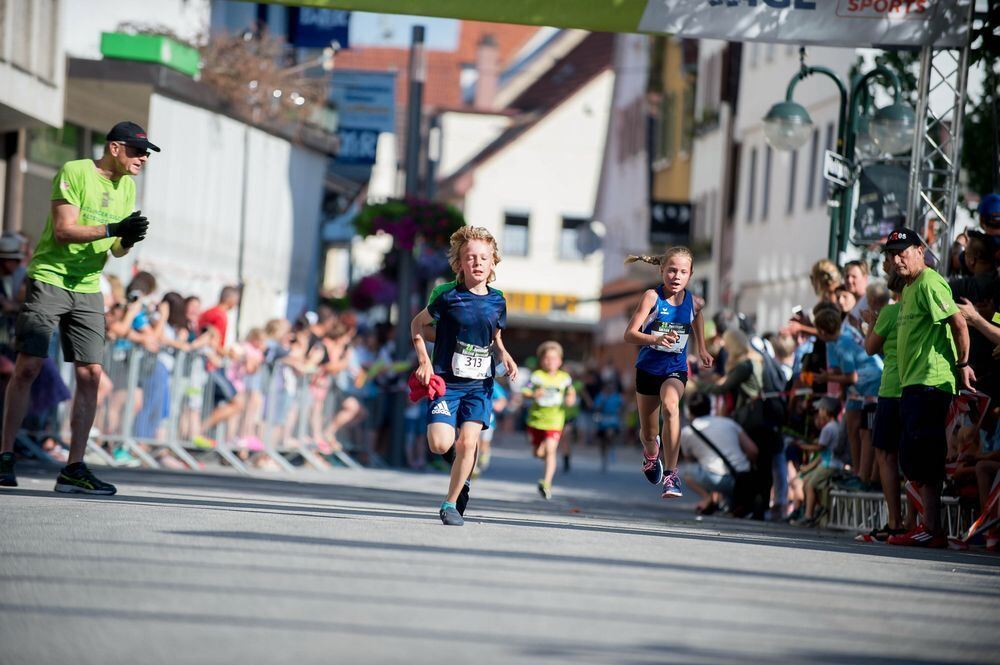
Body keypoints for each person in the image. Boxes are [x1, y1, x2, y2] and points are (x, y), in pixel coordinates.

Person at [0, 121, 156, 492]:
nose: (143, 157)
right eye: (136, 150)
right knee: (29, 367)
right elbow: (63, 230)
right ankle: (5, 455)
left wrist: (127, 239)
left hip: (88, 286)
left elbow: (116, 248)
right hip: (51, 277)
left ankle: (74, 468)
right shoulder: (76, 171)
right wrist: (113, 229)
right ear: (115, 148)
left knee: (91, 376)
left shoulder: (127, 187)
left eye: (146, 153)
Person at [410, 226, 517, 526]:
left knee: (469, 443)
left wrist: (504, 354)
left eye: (484, 258)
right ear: (459, 263)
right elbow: (417, 325)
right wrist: (424, 362)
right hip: (446, 382)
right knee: (440, 444)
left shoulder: (498, 301)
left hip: (479, 384)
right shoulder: (447, 297)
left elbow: (493, 335)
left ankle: (451, 503)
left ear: (494, 262)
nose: (478, 263)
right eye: (470, 257)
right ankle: (460, 467)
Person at [882, 228, 974, 548]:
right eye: (892, 254)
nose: (897, 259)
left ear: (921, 250)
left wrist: (963, 365)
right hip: (913, 384)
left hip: (932, 382)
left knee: (926, 456)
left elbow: (959, 322)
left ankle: (933, 530)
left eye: (903, 251)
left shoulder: (930, 282)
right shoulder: (909, 288)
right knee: (912, 457)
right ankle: (924, 526)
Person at [624, 247, 713, 499]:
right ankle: (652, 455)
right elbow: (629, 334)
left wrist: (702, 348)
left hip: (675, 368)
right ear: (662, 270)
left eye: (683, 272)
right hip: (648, 369)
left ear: (690, 274)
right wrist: (656, 338)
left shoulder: (693, 301)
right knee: (649, 433)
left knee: (672, 407)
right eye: (672, 270)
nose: (676, 276)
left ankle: (672, 475)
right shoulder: (652, 297)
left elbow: (697, 317)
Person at [860, 259, 908, 541]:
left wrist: (871, 324)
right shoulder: (916, 308)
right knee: (911, 457)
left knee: (886, 455)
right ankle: (916, 521)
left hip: (892, 388)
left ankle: (895, 519)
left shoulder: (891, 312)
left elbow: (869, 348)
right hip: (918, 385)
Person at [679, 391, 758, 515]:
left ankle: (708, 498)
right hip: (743, 477)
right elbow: (753, 451)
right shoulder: (729, 423)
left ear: (689, 411)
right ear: (710, 407)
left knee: (689, 471)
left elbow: (690, 459)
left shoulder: (687, 432)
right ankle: (731, 503)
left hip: (716, 480)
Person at [522, 341, 576, 499]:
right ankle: (541, 452)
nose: (550, 361)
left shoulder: (564, 378)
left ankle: (546, 483)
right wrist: (533, 394)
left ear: (560, 360)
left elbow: (571, 393)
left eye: (554, 358)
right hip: (536, 420)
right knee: (538, 452)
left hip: (555, 420)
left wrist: (570, 399)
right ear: (541, 360)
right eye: (547, 358)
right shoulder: (537, 376)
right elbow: (525, 391)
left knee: (551, 450)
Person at [593, 379, 623, 472]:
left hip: (613, 419)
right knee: (602, 442)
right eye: (608, 387)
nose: (610, 388)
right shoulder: (600, 396)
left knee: (610, 434)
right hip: (603, 419)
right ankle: (604, 458)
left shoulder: (617, 397)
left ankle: (612, 448)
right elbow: (596, 407)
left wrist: (621, 416)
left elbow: (621, 407)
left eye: (611, 387)